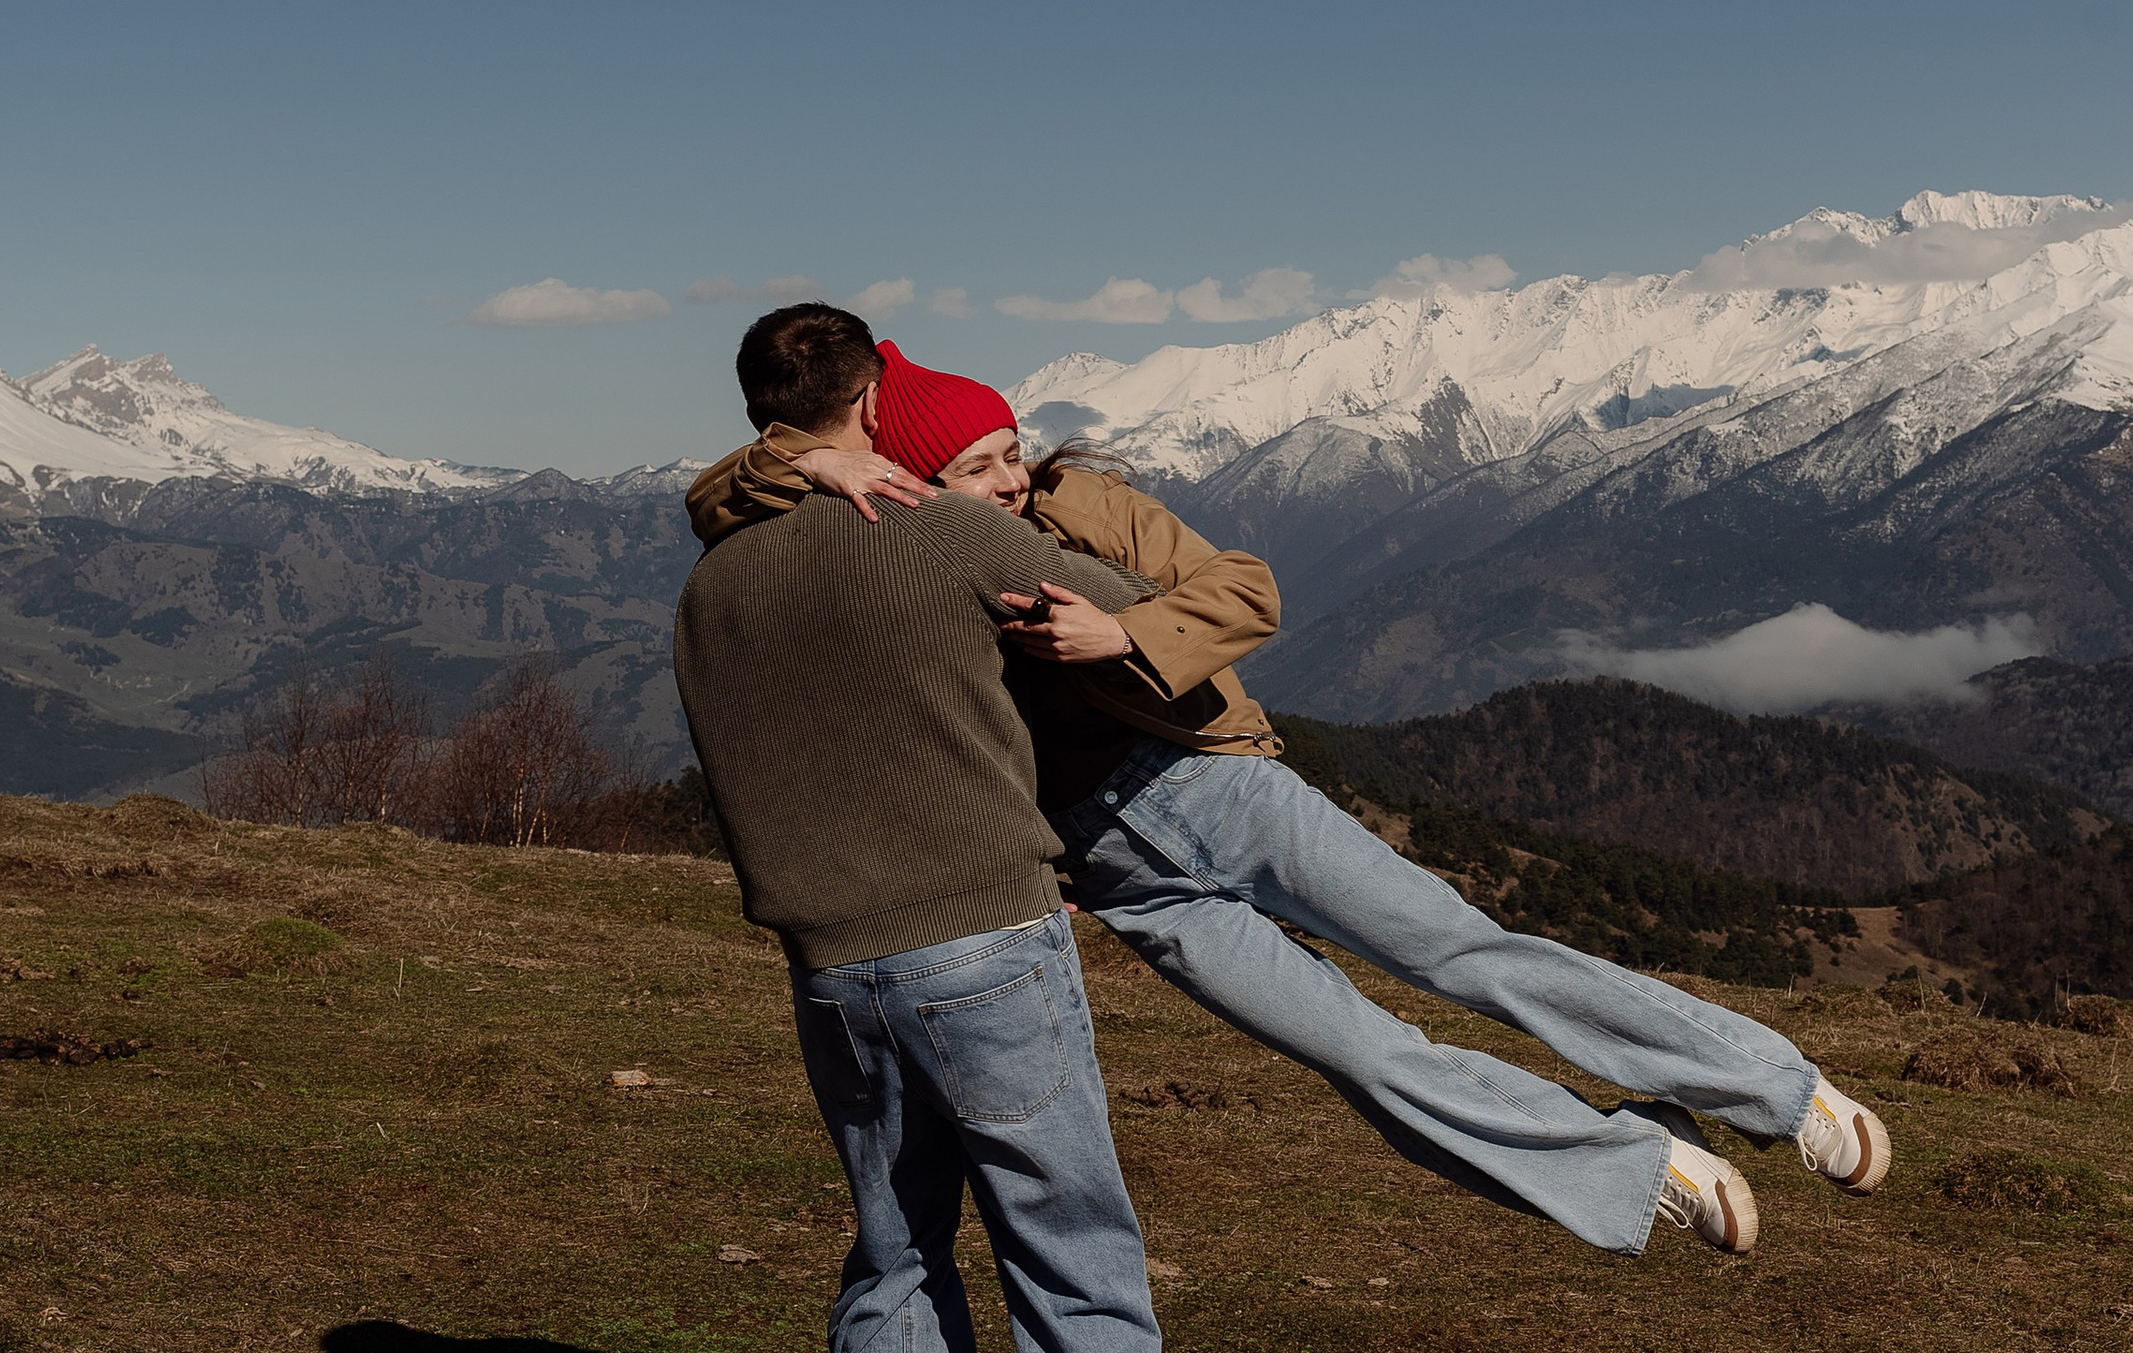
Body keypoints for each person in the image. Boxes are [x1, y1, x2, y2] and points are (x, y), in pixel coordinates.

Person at [687, 335, 1893, 1263]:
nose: (1007, 480)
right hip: (1115, 872)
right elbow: (713, 506)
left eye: (1011, 450)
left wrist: (1124, 633)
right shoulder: (896, 533)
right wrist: (803, 457)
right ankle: (1639, 1163)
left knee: (1462, 953)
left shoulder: (1077, 506)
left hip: (1216, 787)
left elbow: (1245, 590)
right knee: (1359, 1055)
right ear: (907, 475)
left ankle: (1777, 1089)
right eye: (975, 467)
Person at [673, 302, 1172, 1353]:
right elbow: (1130, 609)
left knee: (897, 1257)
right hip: (986, 938)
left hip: (832, 968)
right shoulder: (941, 533)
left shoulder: (711, 587)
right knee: (1073, 1269)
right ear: (874, 404)